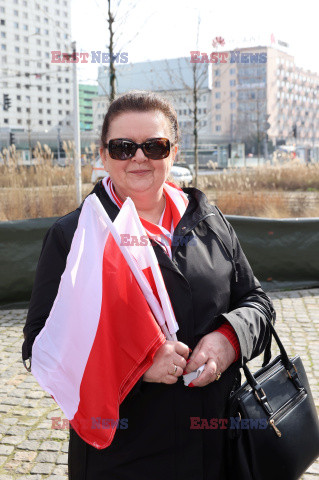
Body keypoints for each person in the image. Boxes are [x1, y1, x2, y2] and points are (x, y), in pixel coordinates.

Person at [22, 90, 275, 480]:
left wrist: (229, 339)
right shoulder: (74, 235)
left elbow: (256, 302)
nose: (139, 157)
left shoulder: (208, 220)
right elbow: (40, 344)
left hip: (217, 452)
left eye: (154, 146)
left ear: (173, 152)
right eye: (123, 147)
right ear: (104, 155)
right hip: (124, 458)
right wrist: (136, 365)